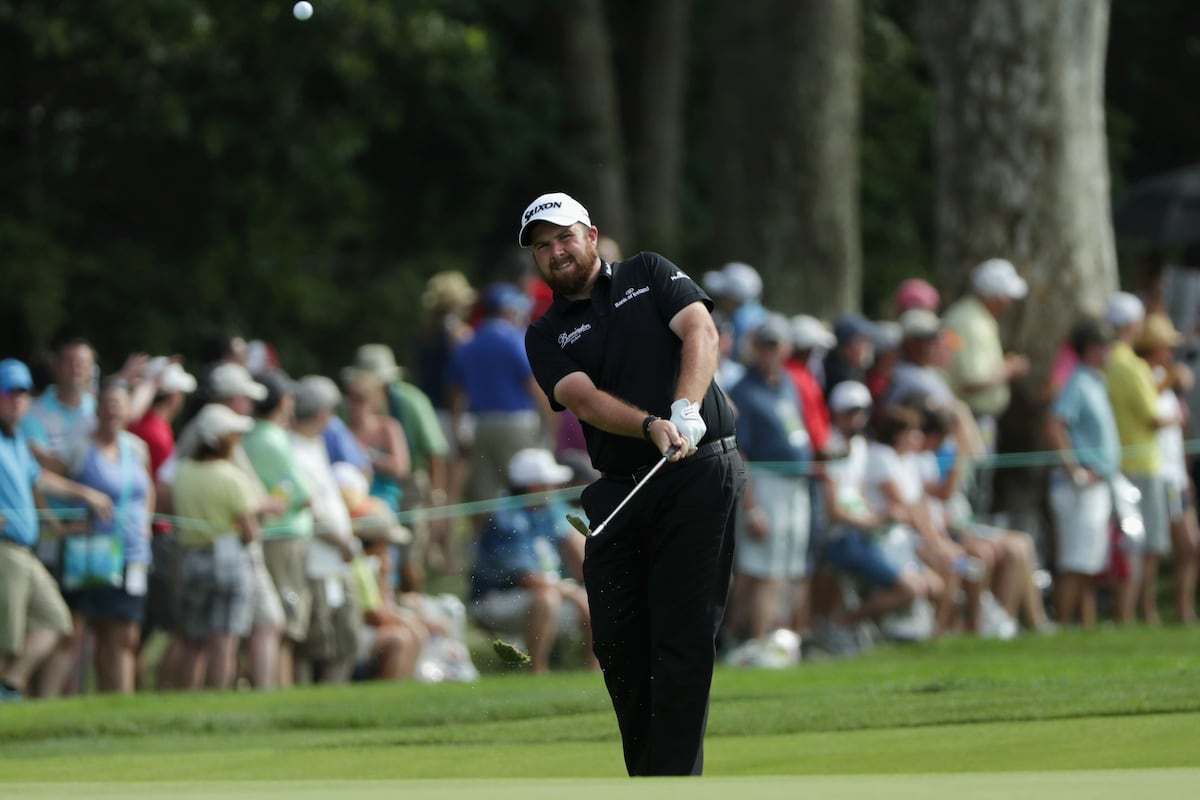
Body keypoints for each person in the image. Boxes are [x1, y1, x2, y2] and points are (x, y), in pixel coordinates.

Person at [520, 191, 743, 776]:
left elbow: (700, 330)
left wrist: (685, 408)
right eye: (543, 247)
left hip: (699, 473)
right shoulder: (544, 334)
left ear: (591, 235)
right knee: (617, 642)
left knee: (682, 635)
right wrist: (649, 425)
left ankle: (668, 783)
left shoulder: (648, 272)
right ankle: (650, 776)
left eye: (564, 237)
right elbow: (583, 400)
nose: (556, 252)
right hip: (622, 486)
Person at [0, 359, 114, 701]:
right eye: (9, 393)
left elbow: (41, 480)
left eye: (22, 394)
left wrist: (86, 495)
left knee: (56, 623)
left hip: (24, 551)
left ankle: (10, 686)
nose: (17, 401)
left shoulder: (16, 440)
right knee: (7, 638)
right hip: (4, 550)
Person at [48, 379, 154, 695]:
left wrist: (146, 522)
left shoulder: (136, 448)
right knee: (76, 629)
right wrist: (57, 524)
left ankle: (117, 704)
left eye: (119, 404)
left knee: (124, 634)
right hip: (88, 551)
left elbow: (145, 489)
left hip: (131, 552)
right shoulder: (79, 446)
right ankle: (54, 700)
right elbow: (41, 478)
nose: (113, 411)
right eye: (107, 405)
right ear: (96, 409)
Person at [726, 315, 813, 651]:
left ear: (787, 348)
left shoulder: (789, 382)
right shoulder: (744, 391)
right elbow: (740, 453)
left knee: (790, 567)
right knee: (764, 570)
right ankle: (755, 641)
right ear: (755, 347)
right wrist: (752, 506)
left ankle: (778, 640)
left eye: (777, 345)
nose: (771, 351)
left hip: (796, 483)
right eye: (765, 345)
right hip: (765, 483)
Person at [468, 448, 593, 674]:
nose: (555, 489)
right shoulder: (508, 517)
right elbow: (529, 579)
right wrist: (573, 592)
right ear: (534, 487)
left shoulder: (546, 510)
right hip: (494, 599)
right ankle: (537, 671)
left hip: (541, 593)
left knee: (596, 598)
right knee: (546, 598)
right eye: (549, 484)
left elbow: (578, 556)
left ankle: (596, 672)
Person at [163, 404, 259, 690]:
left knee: (193, 641)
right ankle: (219, 696)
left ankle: (191, 698)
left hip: (189, 560)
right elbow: (250, 530)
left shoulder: (182, 472)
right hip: (228, 562)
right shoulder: (231, 477)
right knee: (224, 641)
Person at [447, 282, 555, 516]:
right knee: (529, 488)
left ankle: (486, 549)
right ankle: (530, 545)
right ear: (507, 310)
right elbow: (534, 387)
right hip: (517, 426)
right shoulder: (515, 340)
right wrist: (552, 425)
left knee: (486, 497)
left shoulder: (468, 343)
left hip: (480, 427)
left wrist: (458, 431)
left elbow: (456, 394)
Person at [1044, 317, 1122, 627]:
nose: (1110, 352)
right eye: (1105, 346)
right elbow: (1055, 426)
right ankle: (1064, 624)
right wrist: (1074, 469)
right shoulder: (1077, 382)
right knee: (1075, 562)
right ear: (1091, 349)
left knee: (1089, 563)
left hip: (1096, 483)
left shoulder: (1093, 380)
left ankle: (1086, 626)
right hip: (1079, 485)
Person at [1104, 292, 1175, 624]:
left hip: (1120, 463)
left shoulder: (1107, 362)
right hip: (1143, 464)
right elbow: (1153, 416)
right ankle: (1139, 613)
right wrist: (1177, 416)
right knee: (1145, 547)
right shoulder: (1130, 366)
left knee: (1131, 543)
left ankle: (1132, 614)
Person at [242, 369, 314, 687]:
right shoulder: (271, 438)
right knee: (285, 621)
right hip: (283, 537)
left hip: (271, 535)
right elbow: (302, 493)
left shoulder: (250, 434)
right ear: (282, 400)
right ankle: (278, 690)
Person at [1133, 313, 1198, 624]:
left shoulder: (1166, 379)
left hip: (1175, 475)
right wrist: (1172, 380)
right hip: (1156, 473)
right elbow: (1150, 417)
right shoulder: (1145, 377)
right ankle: (1148, 612)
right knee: (1154, 549)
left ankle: (1184, 611)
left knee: (1190, 546)